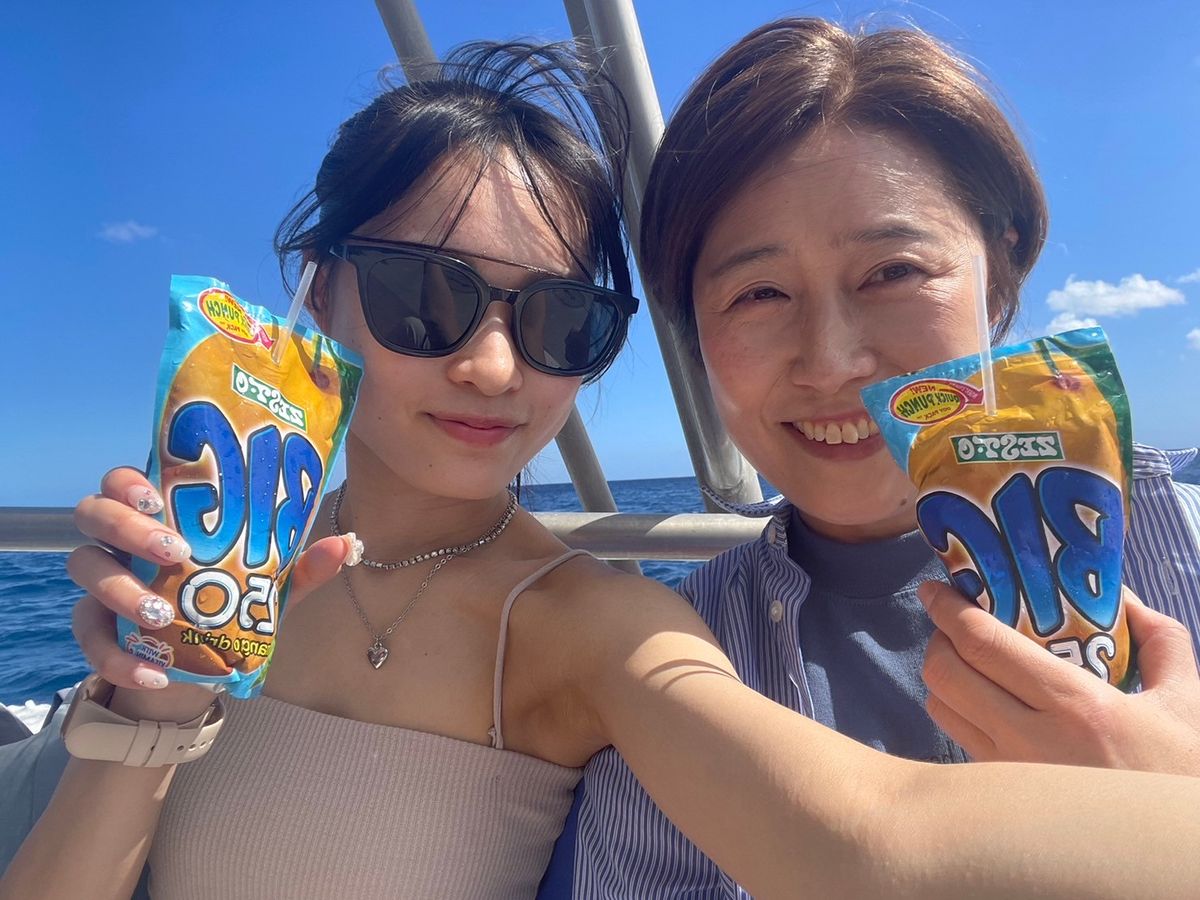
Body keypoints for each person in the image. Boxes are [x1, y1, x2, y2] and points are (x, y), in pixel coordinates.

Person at [3, 36, 1200, 900]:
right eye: (426, 294)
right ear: (322, 291)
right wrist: (151, 709)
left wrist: (1167, 792)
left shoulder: (599, 625)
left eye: (561, 321)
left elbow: (866, 841)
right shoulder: (224, 576)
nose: (492, 367)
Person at [561, 17, 1200, 898]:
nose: (831, 362)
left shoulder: (1185, 544)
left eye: (893, 271)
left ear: (999, 270)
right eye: (759, 293)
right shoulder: (672, 666)